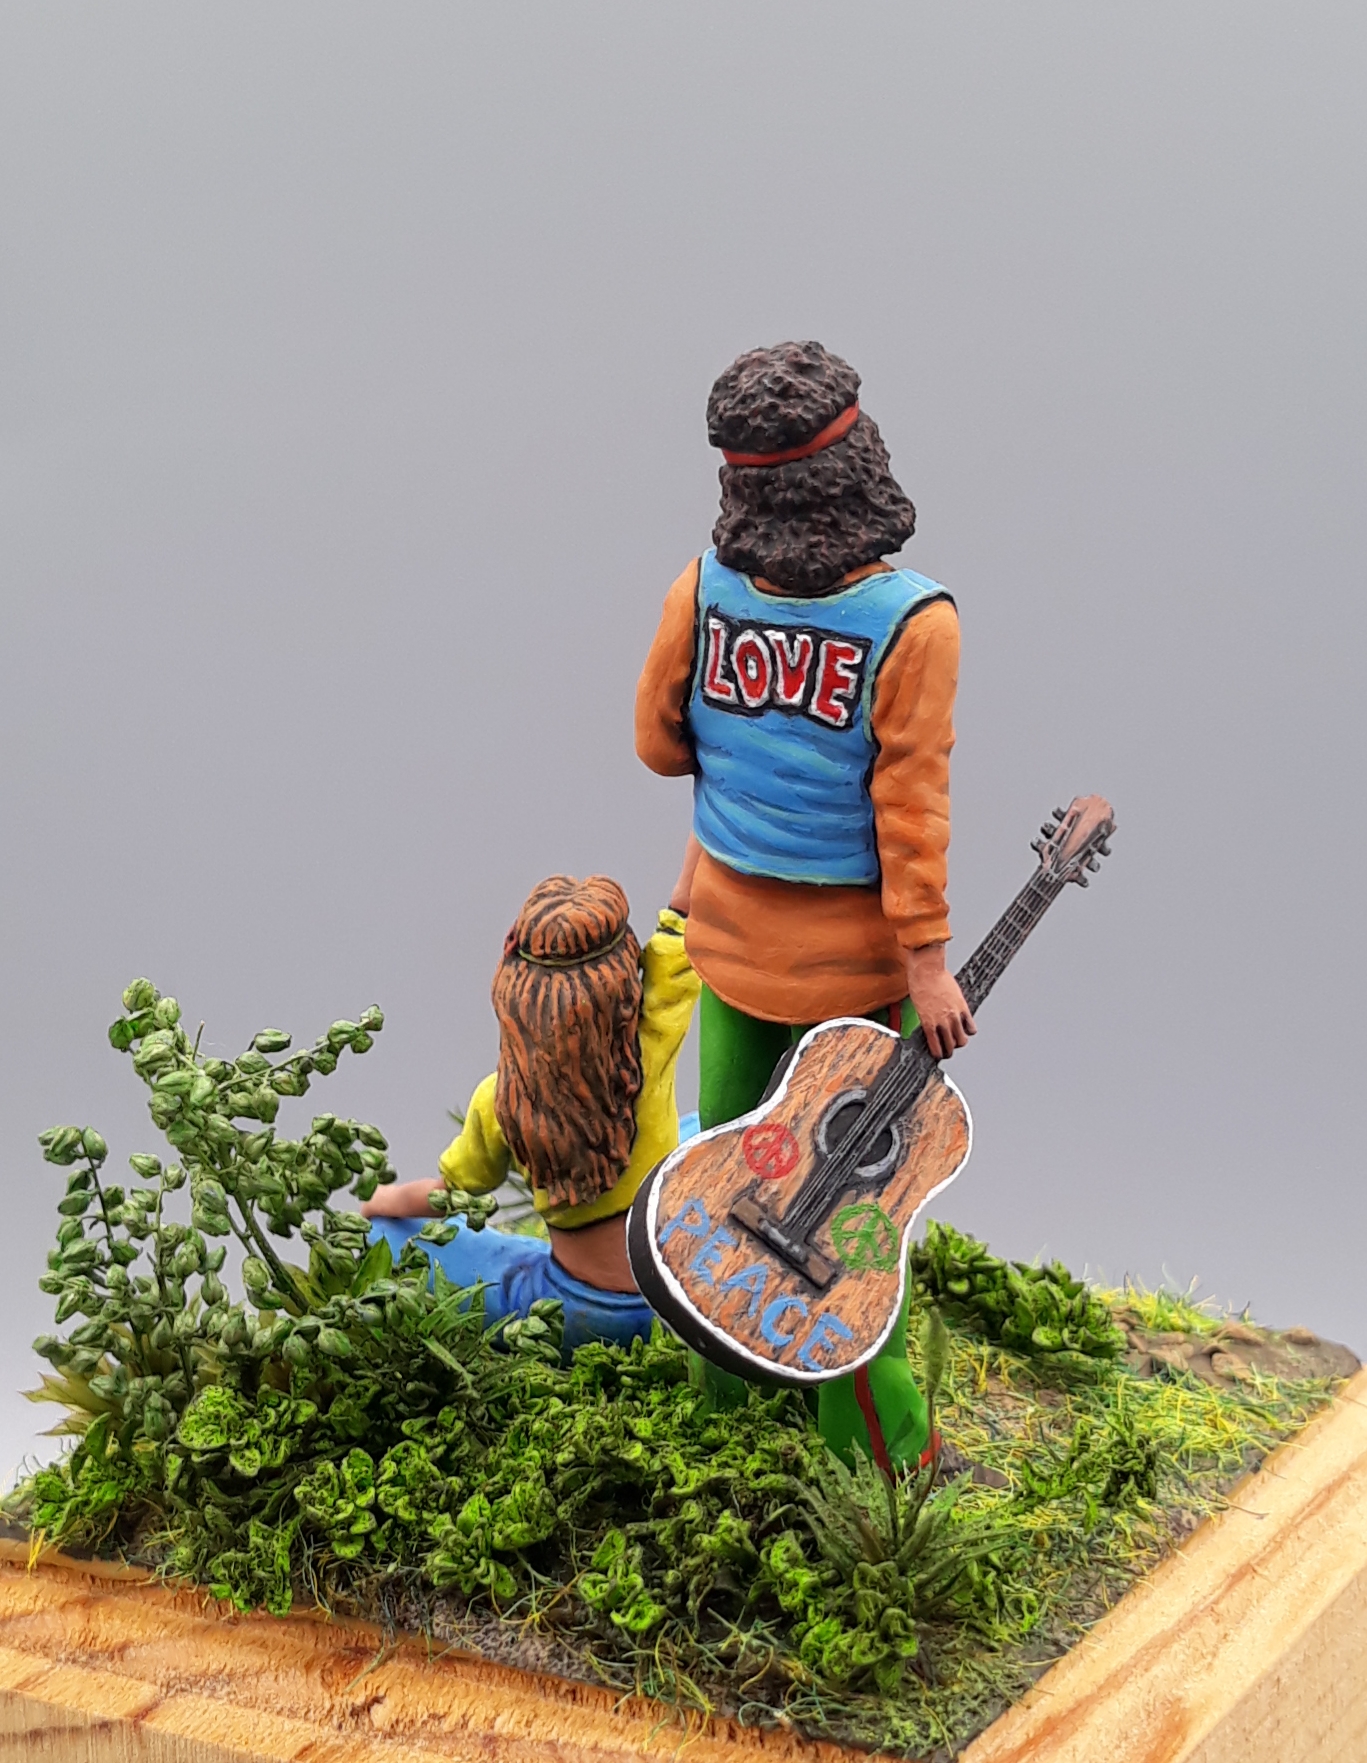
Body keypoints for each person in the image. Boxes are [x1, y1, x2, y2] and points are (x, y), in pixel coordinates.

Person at [634, 340, 974, 1473]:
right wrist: (927, 965)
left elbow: (654, 742)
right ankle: (879, 1450)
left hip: (731, 942)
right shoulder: (914, 624)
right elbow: (908, 812)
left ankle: (721, 1417)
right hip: (856, 973)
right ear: (860, 461)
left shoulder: (701, 588)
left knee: (722, 1175)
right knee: (856, 1205)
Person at [362, 872, 699, 1355]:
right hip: (676, 1289)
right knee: (697, 1129)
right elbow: (683, 919)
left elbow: (448, 1194)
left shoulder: (502, 1100)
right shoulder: (651, 1045)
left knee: (384, 1240)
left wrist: (384, 1201)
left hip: (584, 1312)